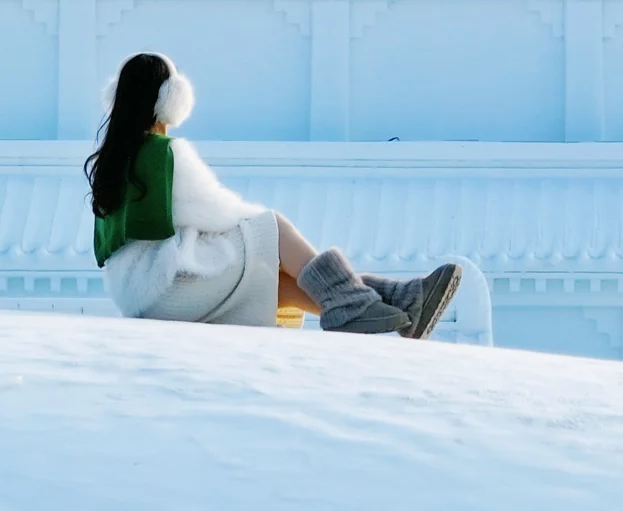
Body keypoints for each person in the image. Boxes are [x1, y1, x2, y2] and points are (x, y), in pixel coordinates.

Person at [86, 52, 461, 337]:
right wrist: (267, 234)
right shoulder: (163, 153)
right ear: (170, 99)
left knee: (270, 279)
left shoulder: (111, 159)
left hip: (141, 299)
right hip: (167, 287)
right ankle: (356, 301)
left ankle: (403, 303)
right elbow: (217, 212)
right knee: (273, 229)